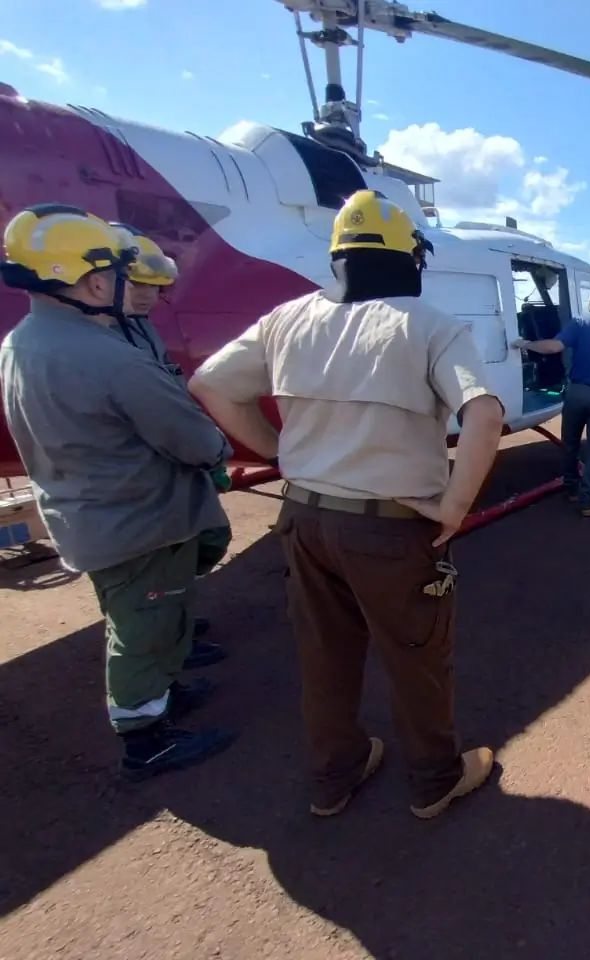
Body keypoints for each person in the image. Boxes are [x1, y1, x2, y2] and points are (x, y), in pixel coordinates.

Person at [188, 189, 504, 819]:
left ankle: (335, 775)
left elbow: (210, 384)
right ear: (409, 258)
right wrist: (453, 506)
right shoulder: (431, 325)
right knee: (416, 656)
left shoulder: (287, 318)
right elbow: (485, 415)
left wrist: (280, 452)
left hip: (304, 519)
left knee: (325, 656)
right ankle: (435, 778)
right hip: (390, 528)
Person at [0, 204, 237, 781]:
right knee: (139, 631)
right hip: (138, 522)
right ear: (97, 280)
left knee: (138, 618)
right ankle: (145, 740)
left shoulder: (22, 342)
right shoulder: (108, 357)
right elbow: (190, 437)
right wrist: (218, 451)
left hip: (89, 516)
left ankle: (162, 691)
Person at [110, 222, 233, 637]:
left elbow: (171, 387)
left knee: (207, 540)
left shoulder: (141, 327)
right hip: (139, 478)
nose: (147, 295)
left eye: (154, 286)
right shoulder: (99, 339)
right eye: (136, 284)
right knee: (155, 566)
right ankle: (163, 647)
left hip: (174, 462)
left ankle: (170, 620)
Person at [514, 289, 590, 516]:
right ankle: (588, 502)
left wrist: (524, 344)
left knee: (570, 444)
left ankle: (571, 489)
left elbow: (553, 347)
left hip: (576, 393)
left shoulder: (579, 323)